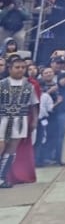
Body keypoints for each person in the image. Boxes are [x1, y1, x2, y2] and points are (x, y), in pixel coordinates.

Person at [0, 56, 38, 188]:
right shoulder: (2, 83)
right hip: (3, 119)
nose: (20, 70)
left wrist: (35, 121)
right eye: (17, 67)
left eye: (23, 67)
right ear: (10, 68)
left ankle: (2, 178)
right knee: (1, 147)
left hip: (20, 120)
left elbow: (34, 105)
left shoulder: (29, 86)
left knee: (11, 151)